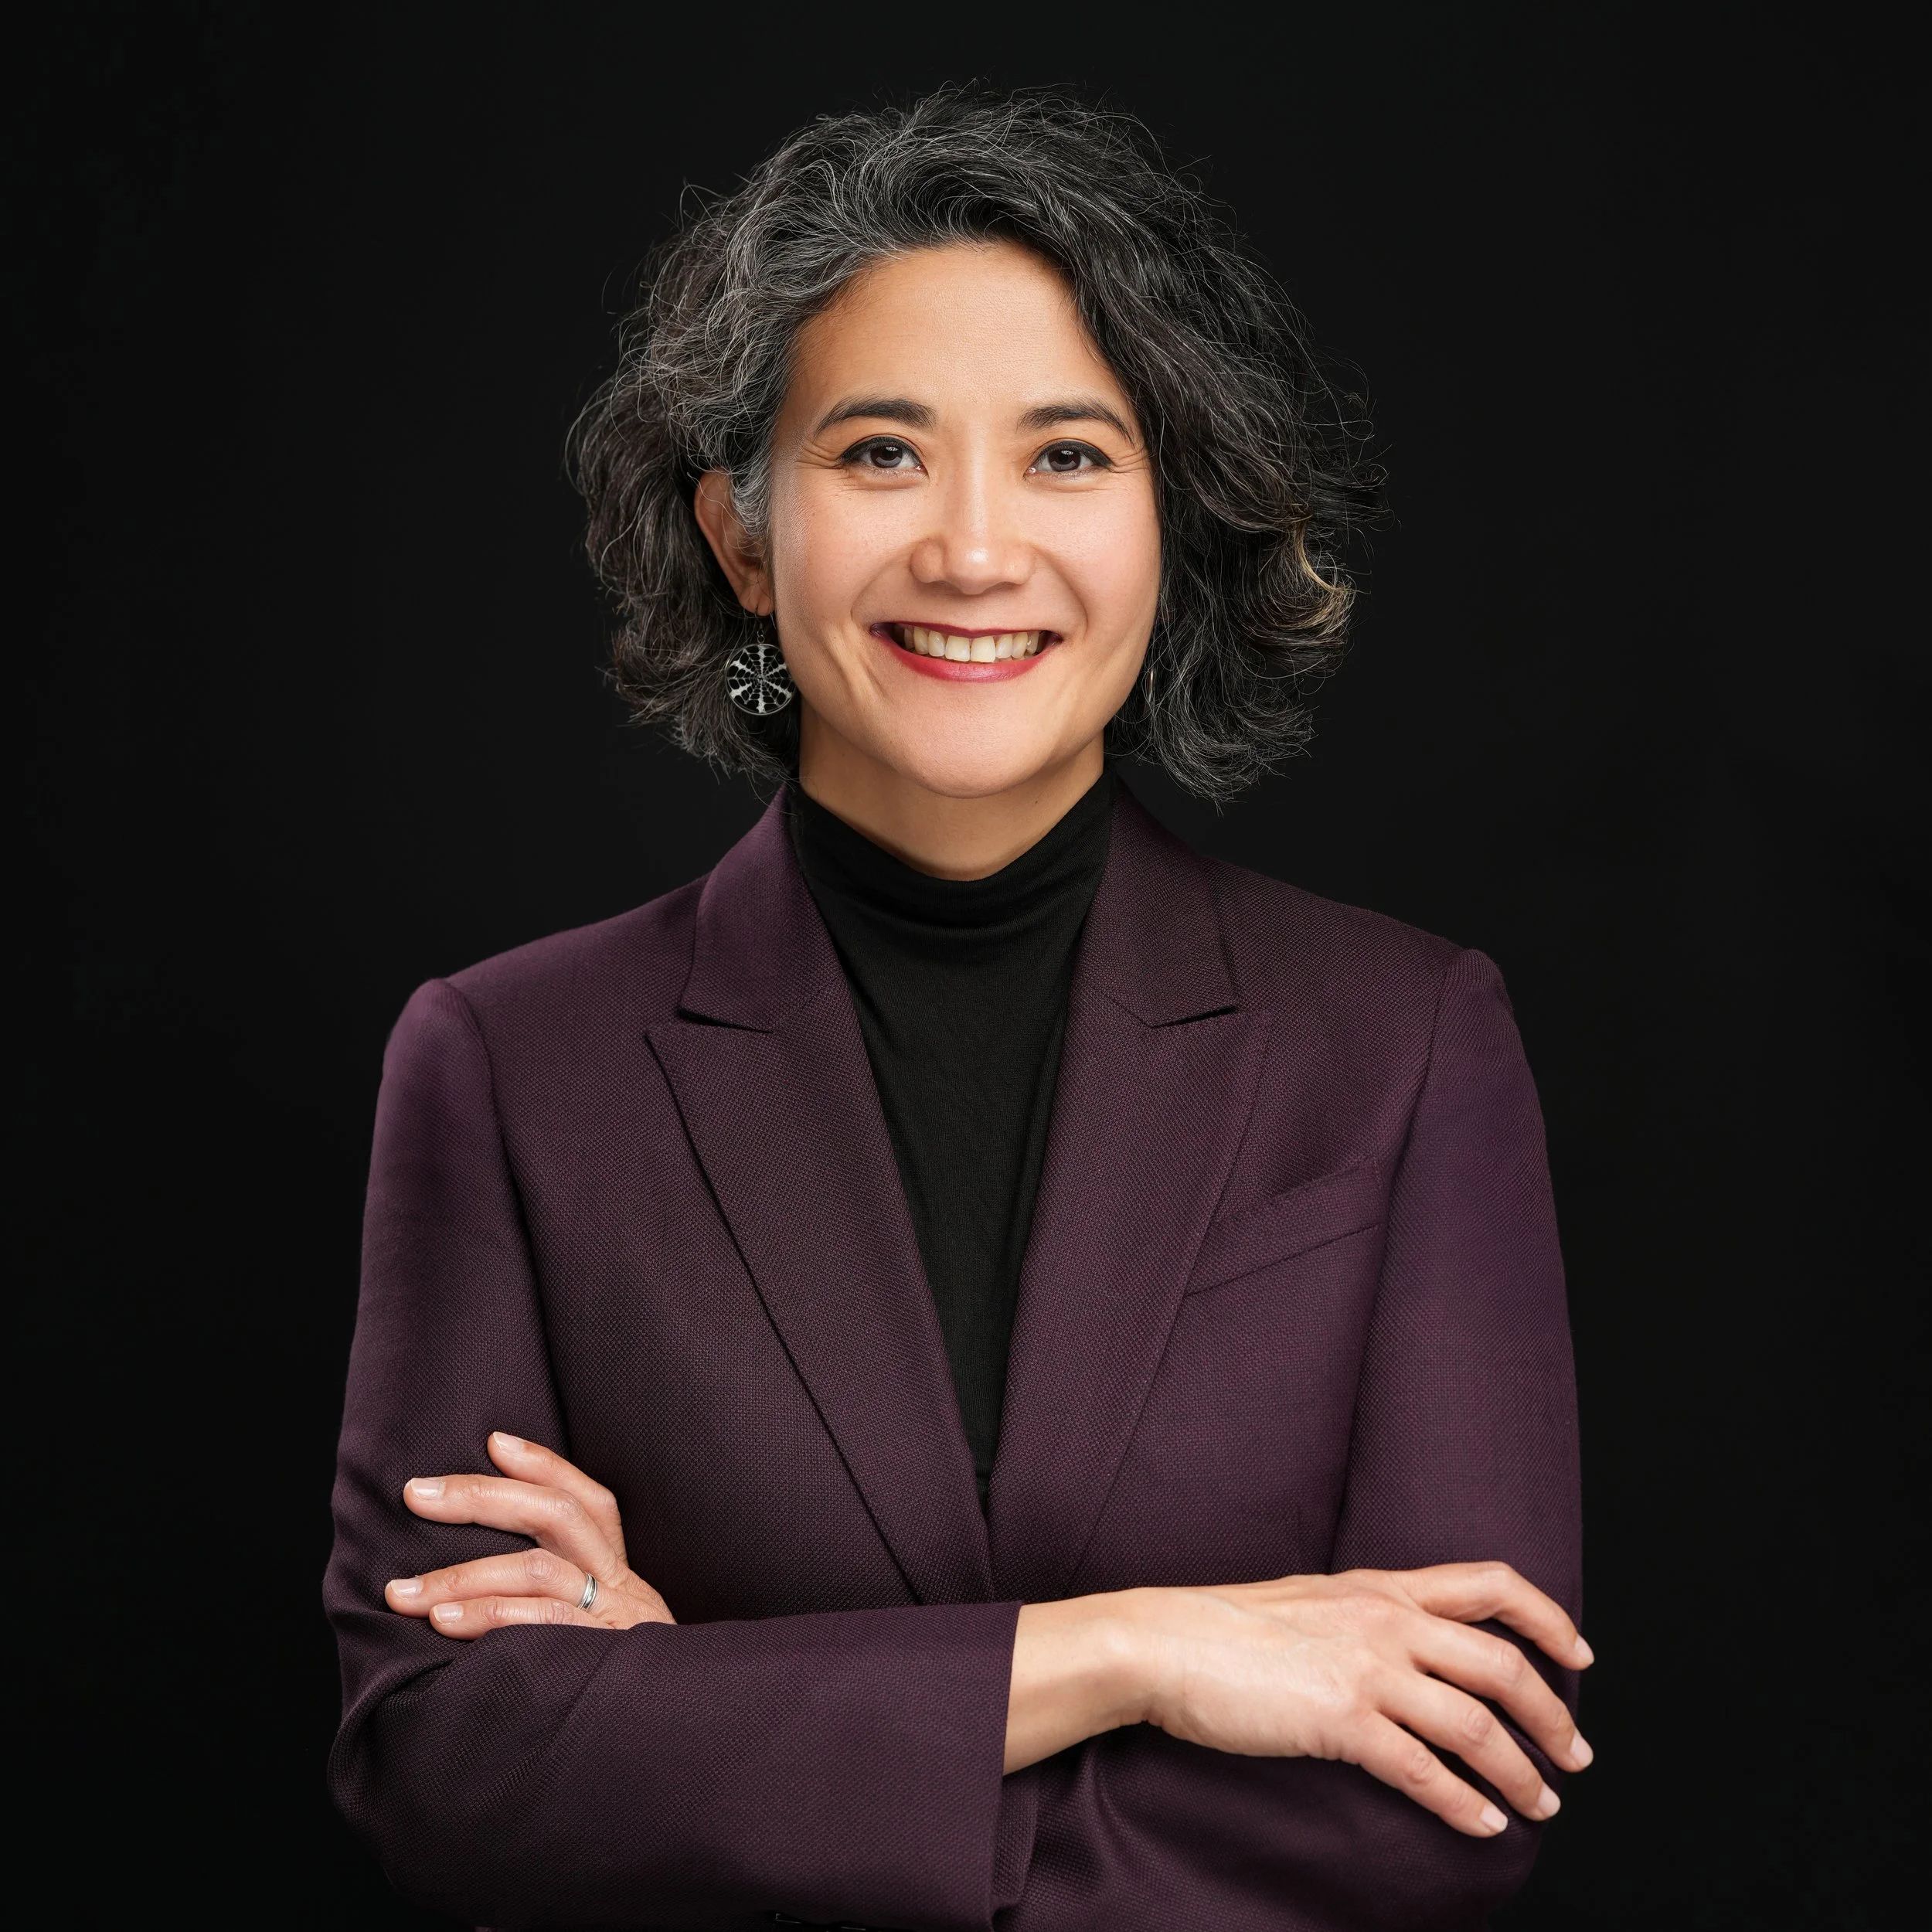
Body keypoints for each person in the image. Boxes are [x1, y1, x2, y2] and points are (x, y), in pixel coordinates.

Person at [324, 81, 1592, 1931]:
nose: (975, 549)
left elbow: (1461, 1779)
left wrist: (700, 1720)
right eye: (880, 454)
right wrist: (1128, 1652)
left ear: (1175, 529)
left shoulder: (1400, 1041)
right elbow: (446, 1756)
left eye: (1069, 455)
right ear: (744, 541)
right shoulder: (509, 1064)